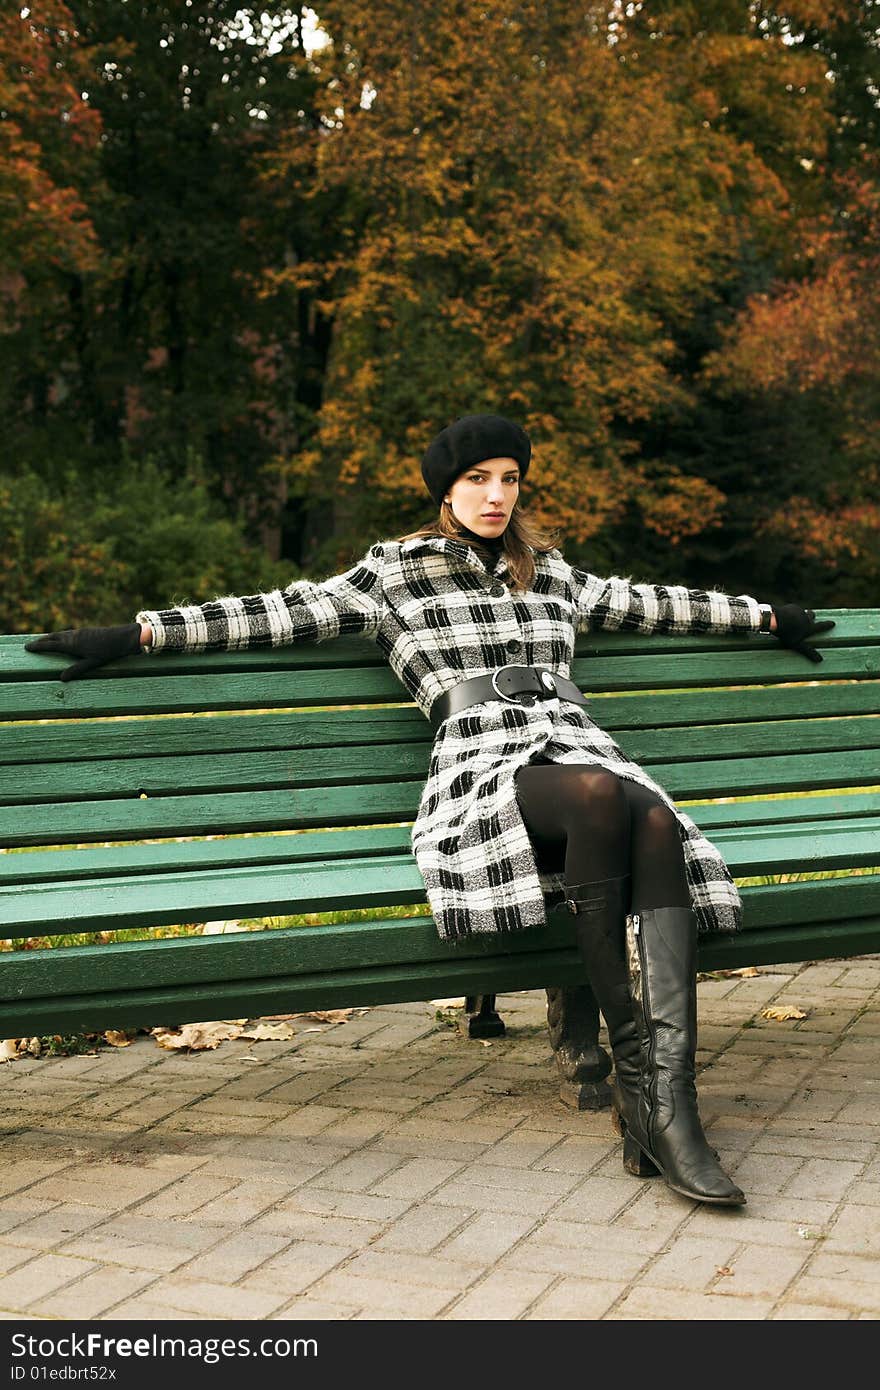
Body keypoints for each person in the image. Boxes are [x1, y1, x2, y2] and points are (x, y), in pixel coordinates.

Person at [25, 413, 834, 1208]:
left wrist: (768, 617)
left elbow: (657, 602)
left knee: (649, 813)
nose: (496, 496)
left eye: (509, 480)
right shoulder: (393, 573)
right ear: (445, 490)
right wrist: (136, 634)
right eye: (477, 480)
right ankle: (644, 1090)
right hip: (483, 769)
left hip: (579, 745)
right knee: (606, 801)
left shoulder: (549, 572)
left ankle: (665, 1104)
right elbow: (273, 611)